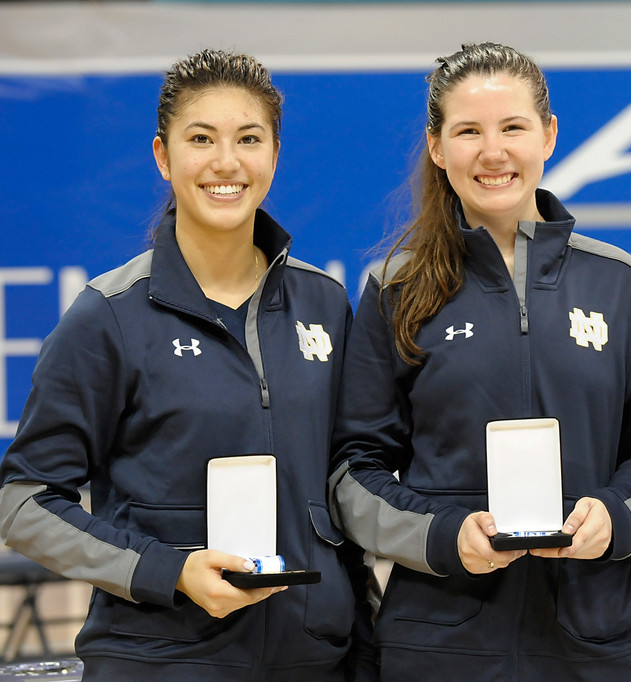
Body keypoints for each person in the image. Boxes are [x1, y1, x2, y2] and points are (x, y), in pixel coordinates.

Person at [0, 49, 374, 680]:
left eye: (248, 139)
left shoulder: (325, 304)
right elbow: (23, 503)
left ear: (274, 156)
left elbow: (348, 481)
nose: (226, 162)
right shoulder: (108, 316)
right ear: (163, 157)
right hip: (160, 659)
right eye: (201, 139)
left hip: (313, 659)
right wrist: (166, 571)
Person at [328, 41, 631, 680]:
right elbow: (354, 470)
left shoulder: (618, 282)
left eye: (512, 127)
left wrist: (614, 517)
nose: (493, 153)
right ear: (438, 148)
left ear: (547, 135)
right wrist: (440, 535)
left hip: (597, 639)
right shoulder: (396, 288)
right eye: (468, 131)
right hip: (442, 644)